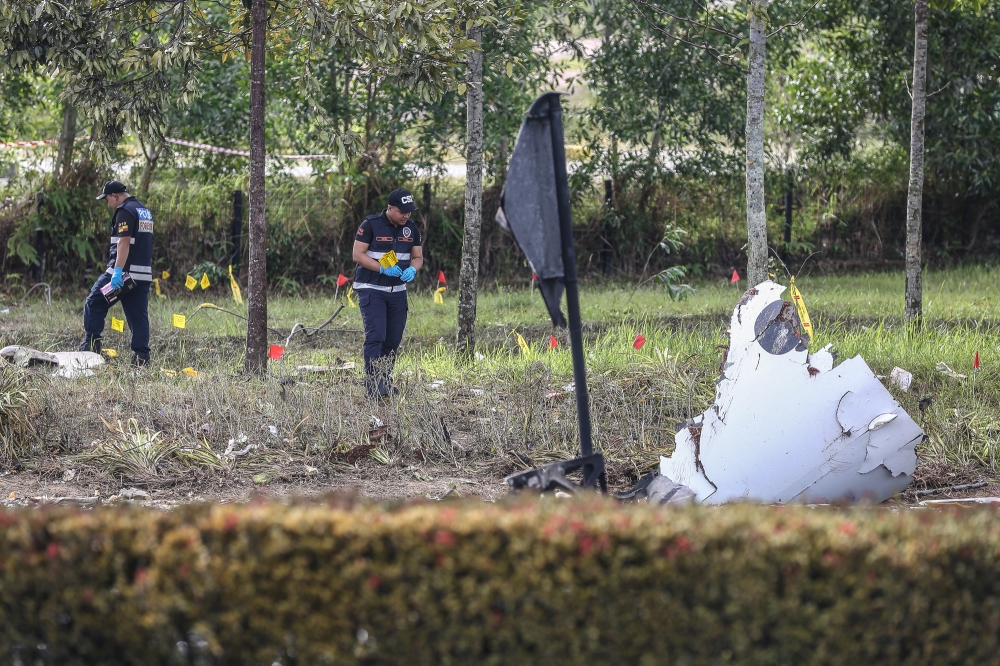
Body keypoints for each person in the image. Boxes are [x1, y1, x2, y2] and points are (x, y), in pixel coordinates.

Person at [352, 188, 423, 398]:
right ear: (390, 208)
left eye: (409, 211)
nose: (406, 215)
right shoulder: (371, 225)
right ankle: (373, 385)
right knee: (376, 336)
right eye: (402, 211)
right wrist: (382, 268)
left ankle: (384, 381)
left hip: (398, 291)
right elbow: (357, 255)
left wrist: (413, 268)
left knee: (393, 339)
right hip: (371, 288)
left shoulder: (411, 228)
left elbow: (417, 257)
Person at [79, 180, 154, 366]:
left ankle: (90, 347)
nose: (108, 204)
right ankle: (141, 357)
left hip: (124, 277)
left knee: (94, 302)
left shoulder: (124, 210)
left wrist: (117, 272)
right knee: (138, 316)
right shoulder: (144, 210)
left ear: (114, 196)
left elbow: (124, 242)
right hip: (142, 275)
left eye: (107, 200)